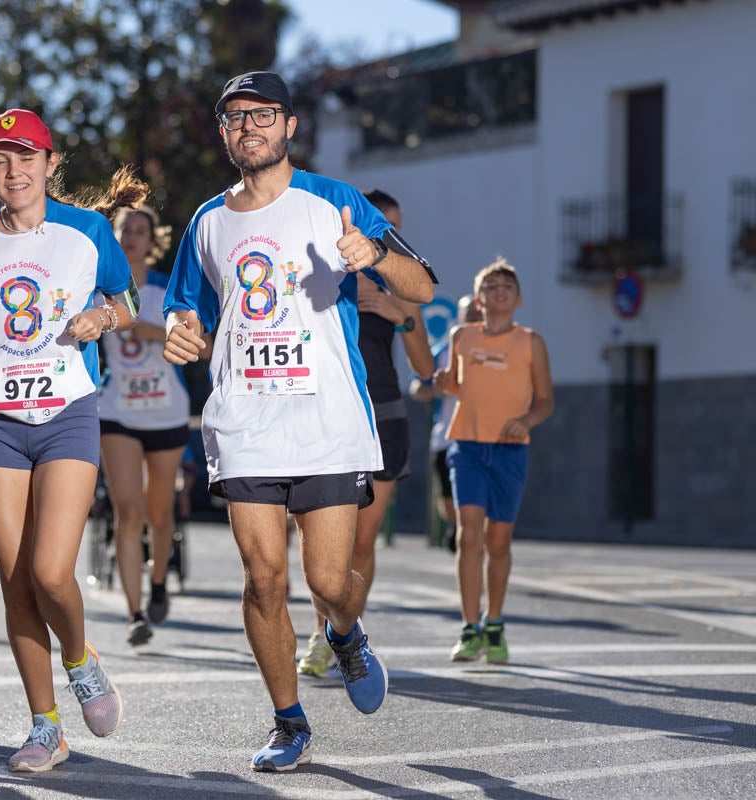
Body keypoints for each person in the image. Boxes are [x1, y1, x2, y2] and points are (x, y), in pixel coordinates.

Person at [162, 71, 436, 772]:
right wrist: (181, 330)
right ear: (224, 135)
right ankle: (289, 722)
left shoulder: (335, 201)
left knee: (327, 580)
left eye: (262, 116)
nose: (247, 128)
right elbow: (186, 307)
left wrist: (374, 256)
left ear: (289, 126)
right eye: (234, 119)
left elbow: (423, 287)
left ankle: (345, 631)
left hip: (328, 419)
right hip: (246, 419)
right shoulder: (207, 221)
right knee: (262, 578)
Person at [0, 108, 140, 773]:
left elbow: (127, 302)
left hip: (69, 411)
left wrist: (102, 316)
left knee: (52, 571)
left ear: (50, 164)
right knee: (16, 581)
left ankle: (81, 658)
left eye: (25, 157)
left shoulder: (87, 230)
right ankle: (45, 727)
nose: (13, 171)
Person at [296, 189, 434, 677]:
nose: (388, 237)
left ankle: (344, 631)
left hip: (385, 413)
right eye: (381, 226)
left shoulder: (403, 282)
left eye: (395, 228)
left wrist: (401, 317)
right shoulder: (329, 266)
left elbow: (427, 368)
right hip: (330, 412)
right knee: (322, 541)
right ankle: (320, 632)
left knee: (361, 542)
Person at [433, 259, 553, 664]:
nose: (499, 290)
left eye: (507, 286)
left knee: (498, 541)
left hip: (509, 450)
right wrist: (442, 382)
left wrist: (526, 421)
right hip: (466, 445)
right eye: (491, 286)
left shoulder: (530, 342)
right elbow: (452, 381)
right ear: (479, 299)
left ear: (517, 299)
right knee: (469, 535)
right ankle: (470, 629)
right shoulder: (461, 336)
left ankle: (495, 623)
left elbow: (545, 400)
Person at [98, 205, 207, 646]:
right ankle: (134, 613)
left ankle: (159, 580)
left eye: (141, 231)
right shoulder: (99, 290)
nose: (133, 237)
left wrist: (159, 333)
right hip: (117, 412)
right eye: (126, 229)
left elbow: (203, 346)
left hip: (165, 412)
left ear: (152, 240)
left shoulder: (168, 290)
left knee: (159, 512)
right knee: (129, 511)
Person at [409, 293, 482, 552]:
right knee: (448, 501)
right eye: (468, 313)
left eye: (478, 312)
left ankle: (472, 534)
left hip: (483, 437)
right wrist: (436, 390)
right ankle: (457, 526)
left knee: (477, 500)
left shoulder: (498, 348)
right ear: (459, 316)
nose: (474, 317)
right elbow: (418, 387)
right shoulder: (442, 352)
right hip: (447, 436)